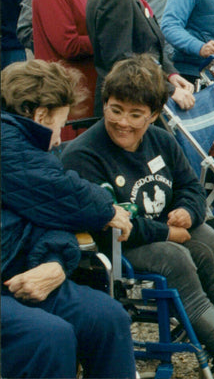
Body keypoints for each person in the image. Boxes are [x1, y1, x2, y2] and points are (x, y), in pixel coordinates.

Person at [61, 55, 214, 378]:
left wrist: (188, 213)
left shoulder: (161, 140)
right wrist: (166, 233)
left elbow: (191, 186)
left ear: (152, 115)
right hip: (118, 244)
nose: (123, 122)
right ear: (104, 104)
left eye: (135, 115)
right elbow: (109, 219)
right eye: (115, 110)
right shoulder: (84, 154)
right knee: (175, 258)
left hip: (165, 231)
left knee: (210, 242)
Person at [1, 59, 136, 378]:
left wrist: (55, 263)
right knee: (48, 335)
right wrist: (107, 207)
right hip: (9, 278)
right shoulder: (8, 146)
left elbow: (52, 216)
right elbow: (67, 196)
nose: (60, 138)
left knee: (108, 317)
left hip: (18, 276)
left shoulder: (29, 151)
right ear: (39, 115)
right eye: (58, 125)